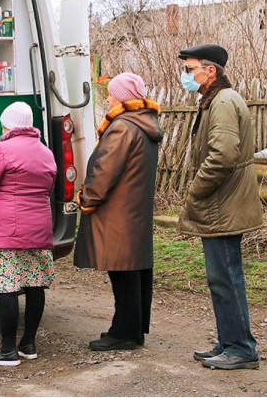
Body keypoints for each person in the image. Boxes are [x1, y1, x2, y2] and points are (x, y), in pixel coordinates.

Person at [177, 44, 262, 370]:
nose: (185, 75)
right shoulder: (215, 100)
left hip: (222, 205)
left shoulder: (224, 102)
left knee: (226, 278)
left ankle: (242, 348)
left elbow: (222, 156)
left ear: (210, 71)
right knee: (222, 278)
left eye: (190, 69)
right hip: (221, 205)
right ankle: (230, 342)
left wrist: (196, 191)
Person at [73, 72, 163, 351]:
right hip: (134, 210)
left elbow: (104, 170)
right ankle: (133, 329)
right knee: (135, 269)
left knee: (122, 272)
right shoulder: (145, 123)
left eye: (113, 94)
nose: (109, 98)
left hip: (117, 211)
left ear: (123, 97)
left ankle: (123, 332)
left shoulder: (123, 127)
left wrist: (87, 198)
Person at [0, 101, 57, 366]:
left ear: (8, 124)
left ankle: (7, 351)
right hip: (39, 225)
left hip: (7, 229)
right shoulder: (45, 152)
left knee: (7, 286)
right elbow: (49, 186)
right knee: (34, 283)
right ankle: (28, 344)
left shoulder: (2, 149)